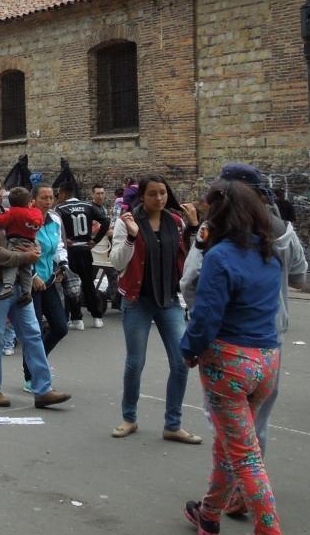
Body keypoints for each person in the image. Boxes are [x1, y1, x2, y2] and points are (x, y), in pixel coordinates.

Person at [179, 179, 297, 535]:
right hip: (266, 360)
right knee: (230, 443)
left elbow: (206, 315)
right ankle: (209, 514)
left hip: (228, 362)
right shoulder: (268, 254)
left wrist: (189, 349)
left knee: (246, 457)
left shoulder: (221, 256)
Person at [109, 174, 203, 443]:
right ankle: (129, 418)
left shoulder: (176, 221)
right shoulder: (127, 221)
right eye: (152, 194)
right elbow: (117, 263)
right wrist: (131, 237)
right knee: (135, 363)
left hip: (168, 300)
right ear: (142, 196)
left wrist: (194, 227)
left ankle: (173, 424)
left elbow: (190, 259)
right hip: (137, 300)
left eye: (163, 192)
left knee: (181, 361)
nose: (159, 198)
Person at [0, 177, 71, 409]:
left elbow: (32, 239)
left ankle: (43, 389)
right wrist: (25, 256)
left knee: (33, 335)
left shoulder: (12, 212)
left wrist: (35, 250)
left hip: (20, 285)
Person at [22, 186, 70, 394]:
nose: (48, 201)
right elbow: (22, 248)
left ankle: (39, 363)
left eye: (51, 197)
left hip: (49, 280)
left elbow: (58, 246)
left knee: (60, 327)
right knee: (34, 332)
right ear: (33, 200)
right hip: (30, 281)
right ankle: (31, 375)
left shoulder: (55, 219)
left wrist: (63, 265)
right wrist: (33, 276)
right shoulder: (27, 221)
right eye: (44, 197)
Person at [57, 182, 110, 329]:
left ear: (63, 193)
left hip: (71, 249)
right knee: (88, 283)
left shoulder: (60, 208)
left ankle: (77, 319)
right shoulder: (88, 206)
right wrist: (95, 240)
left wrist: (64, 239)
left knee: (72, 284)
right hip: (86, 248)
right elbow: (106, 221)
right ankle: (97, 317)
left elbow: (56, 227)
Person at [0, 187, 44, 303]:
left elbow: (0, 221)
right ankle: (27, 292)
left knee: (12, 263)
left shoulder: (13, 212)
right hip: (30, 242)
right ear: (29, 202)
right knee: (26, 268)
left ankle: (7, 286)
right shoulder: (37, 213)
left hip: (15, 241)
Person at [89, 184, 119, 314]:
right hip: (96, 248)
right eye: (98, 193)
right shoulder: (91, 209)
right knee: (92, 275)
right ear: (93, 194)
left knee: (112, 274)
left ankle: (114, 298)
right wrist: (107, 231)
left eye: (102, 193)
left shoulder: (103, 209)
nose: (100, 196)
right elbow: (93, 229)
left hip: (104, 248)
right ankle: (89, 298)